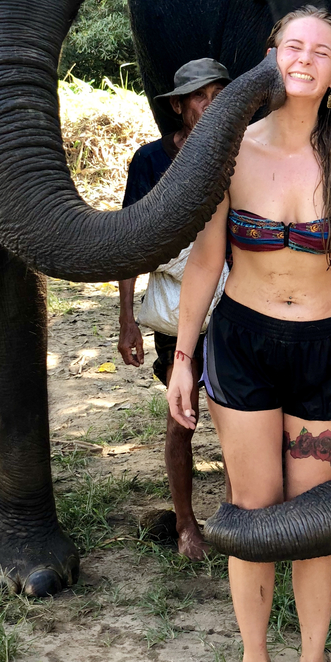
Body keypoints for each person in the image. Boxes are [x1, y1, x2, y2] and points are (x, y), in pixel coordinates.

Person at [167, 7, 331, 662]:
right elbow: (205, 260)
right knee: (254, 510)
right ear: (271, 58)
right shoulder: (229, 148)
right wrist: (183, 357)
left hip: (328, 351)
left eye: (320, 51)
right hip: (244, 345)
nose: (304, 59)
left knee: (315, 518)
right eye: (291, 46)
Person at [118, 58, 231, 560]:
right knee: (181, 416)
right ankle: (186, 524)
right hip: (175, 313)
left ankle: (236, 519)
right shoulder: (150, 161)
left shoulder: (242, 154)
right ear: (179, 106)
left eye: (218, 95)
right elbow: (130, 244)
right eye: (199, 97)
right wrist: (126, 319)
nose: (209, 106)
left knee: (239, 418)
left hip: (235, 307)